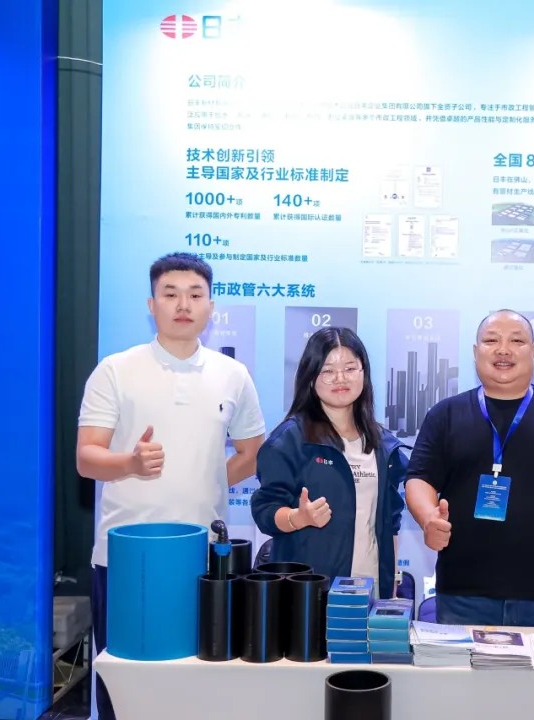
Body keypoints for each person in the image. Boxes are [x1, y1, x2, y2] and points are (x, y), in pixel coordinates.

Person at [76, 252, 265, 720]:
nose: (184, 304)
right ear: (151, 304)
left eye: (195, 295)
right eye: (171, 294)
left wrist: (205, 477)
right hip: (126, 558)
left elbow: (251, 453)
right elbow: (87, 458)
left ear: (210, 307)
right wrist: (131, 463)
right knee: (124, 682)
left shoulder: (232, 374)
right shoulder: (116, 370)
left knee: (198, 683)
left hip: (204, 558)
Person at [405, 309, 534, 628]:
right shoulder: (445, 414)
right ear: (476, 351)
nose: (503, 350)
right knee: (462, 665)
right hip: (463, 592)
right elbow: (419, 478)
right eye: (491, 341)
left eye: (517, 341)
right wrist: (427, 518)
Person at [251, 328, 407, 599]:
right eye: (328, 371)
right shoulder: (290, 440)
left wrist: (391, 580)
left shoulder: (383, 443)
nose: (340, 378)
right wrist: (297, 518)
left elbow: (390, 521)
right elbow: (265, 510)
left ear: (364, 373)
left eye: (350, 368)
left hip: (370, 589)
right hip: (310, 592)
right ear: (311, 378)